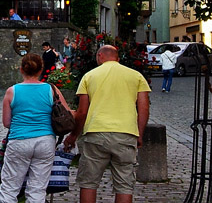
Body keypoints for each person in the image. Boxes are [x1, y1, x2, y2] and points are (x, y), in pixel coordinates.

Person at [62, 45, 150, 203]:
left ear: (100, 56)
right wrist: (140, 134)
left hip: (95, 132)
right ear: (117, 58)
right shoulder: (136, 76)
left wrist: (73, 135)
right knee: (124, 185)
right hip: (126, 132)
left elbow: (82, 112)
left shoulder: (89, 76)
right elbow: (144, 108)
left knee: (89, 183)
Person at [0, 53, 70, 203]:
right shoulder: (51, 90)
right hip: (45, 141)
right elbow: (67, 113)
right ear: (41, 70)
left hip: (19, 140)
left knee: (10, 186)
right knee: (38, 188)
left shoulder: (12, 91)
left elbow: (6, 122)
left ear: (21, 70)